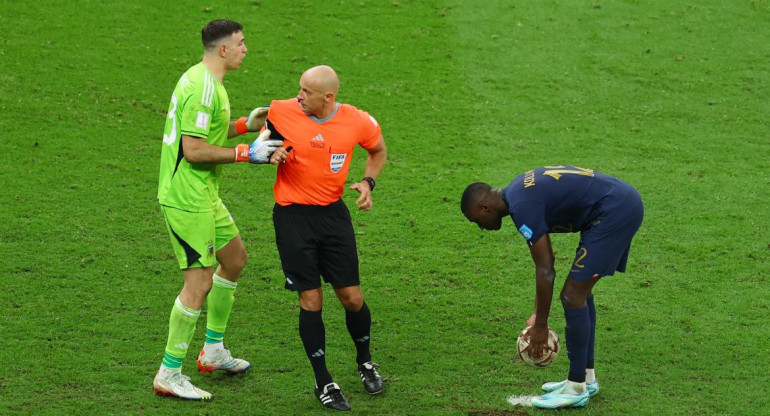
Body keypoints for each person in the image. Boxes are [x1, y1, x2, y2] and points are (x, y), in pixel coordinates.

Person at [153, 19, 283, 401]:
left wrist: (245, 125)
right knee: (199, 282)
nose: (246, 49)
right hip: (186, 197)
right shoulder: (202, 88)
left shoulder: (207, 81)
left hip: (204, 193)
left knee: (235, 258)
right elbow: (193, 151)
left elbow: (207, 131)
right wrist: (249, 154)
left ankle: (212, 351)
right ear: (223, 49)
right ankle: (169, 372)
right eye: (241, 44)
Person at [461, 165, 644, 409]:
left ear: (484, 207)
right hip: (617, 203)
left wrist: (540, 326)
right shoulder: (517, 191)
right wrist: (538, 311)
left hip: (615, 211)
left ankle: (576, 387)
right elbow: (545, 265)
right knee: (579, 292)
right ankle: (586, 379)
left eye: (477, 220)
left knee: (573, 296)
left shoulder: (521, 206)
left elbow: (546, 268)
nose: (481, 227)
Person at [264, 65, 387, 411]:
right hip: (292, 218)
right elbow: (262, 138)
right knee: (311, 299)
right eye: (299, 88)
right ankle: (323, 380)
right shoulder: (282, 111)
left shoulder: (356, 120)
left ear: (328, 97)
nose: (298, 95)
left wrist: (368, 182)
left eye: (306, 91)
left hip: (333, 216)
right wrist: (269, 152)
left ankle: (365, 362)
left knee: (351, 297)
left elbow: (377, 150)